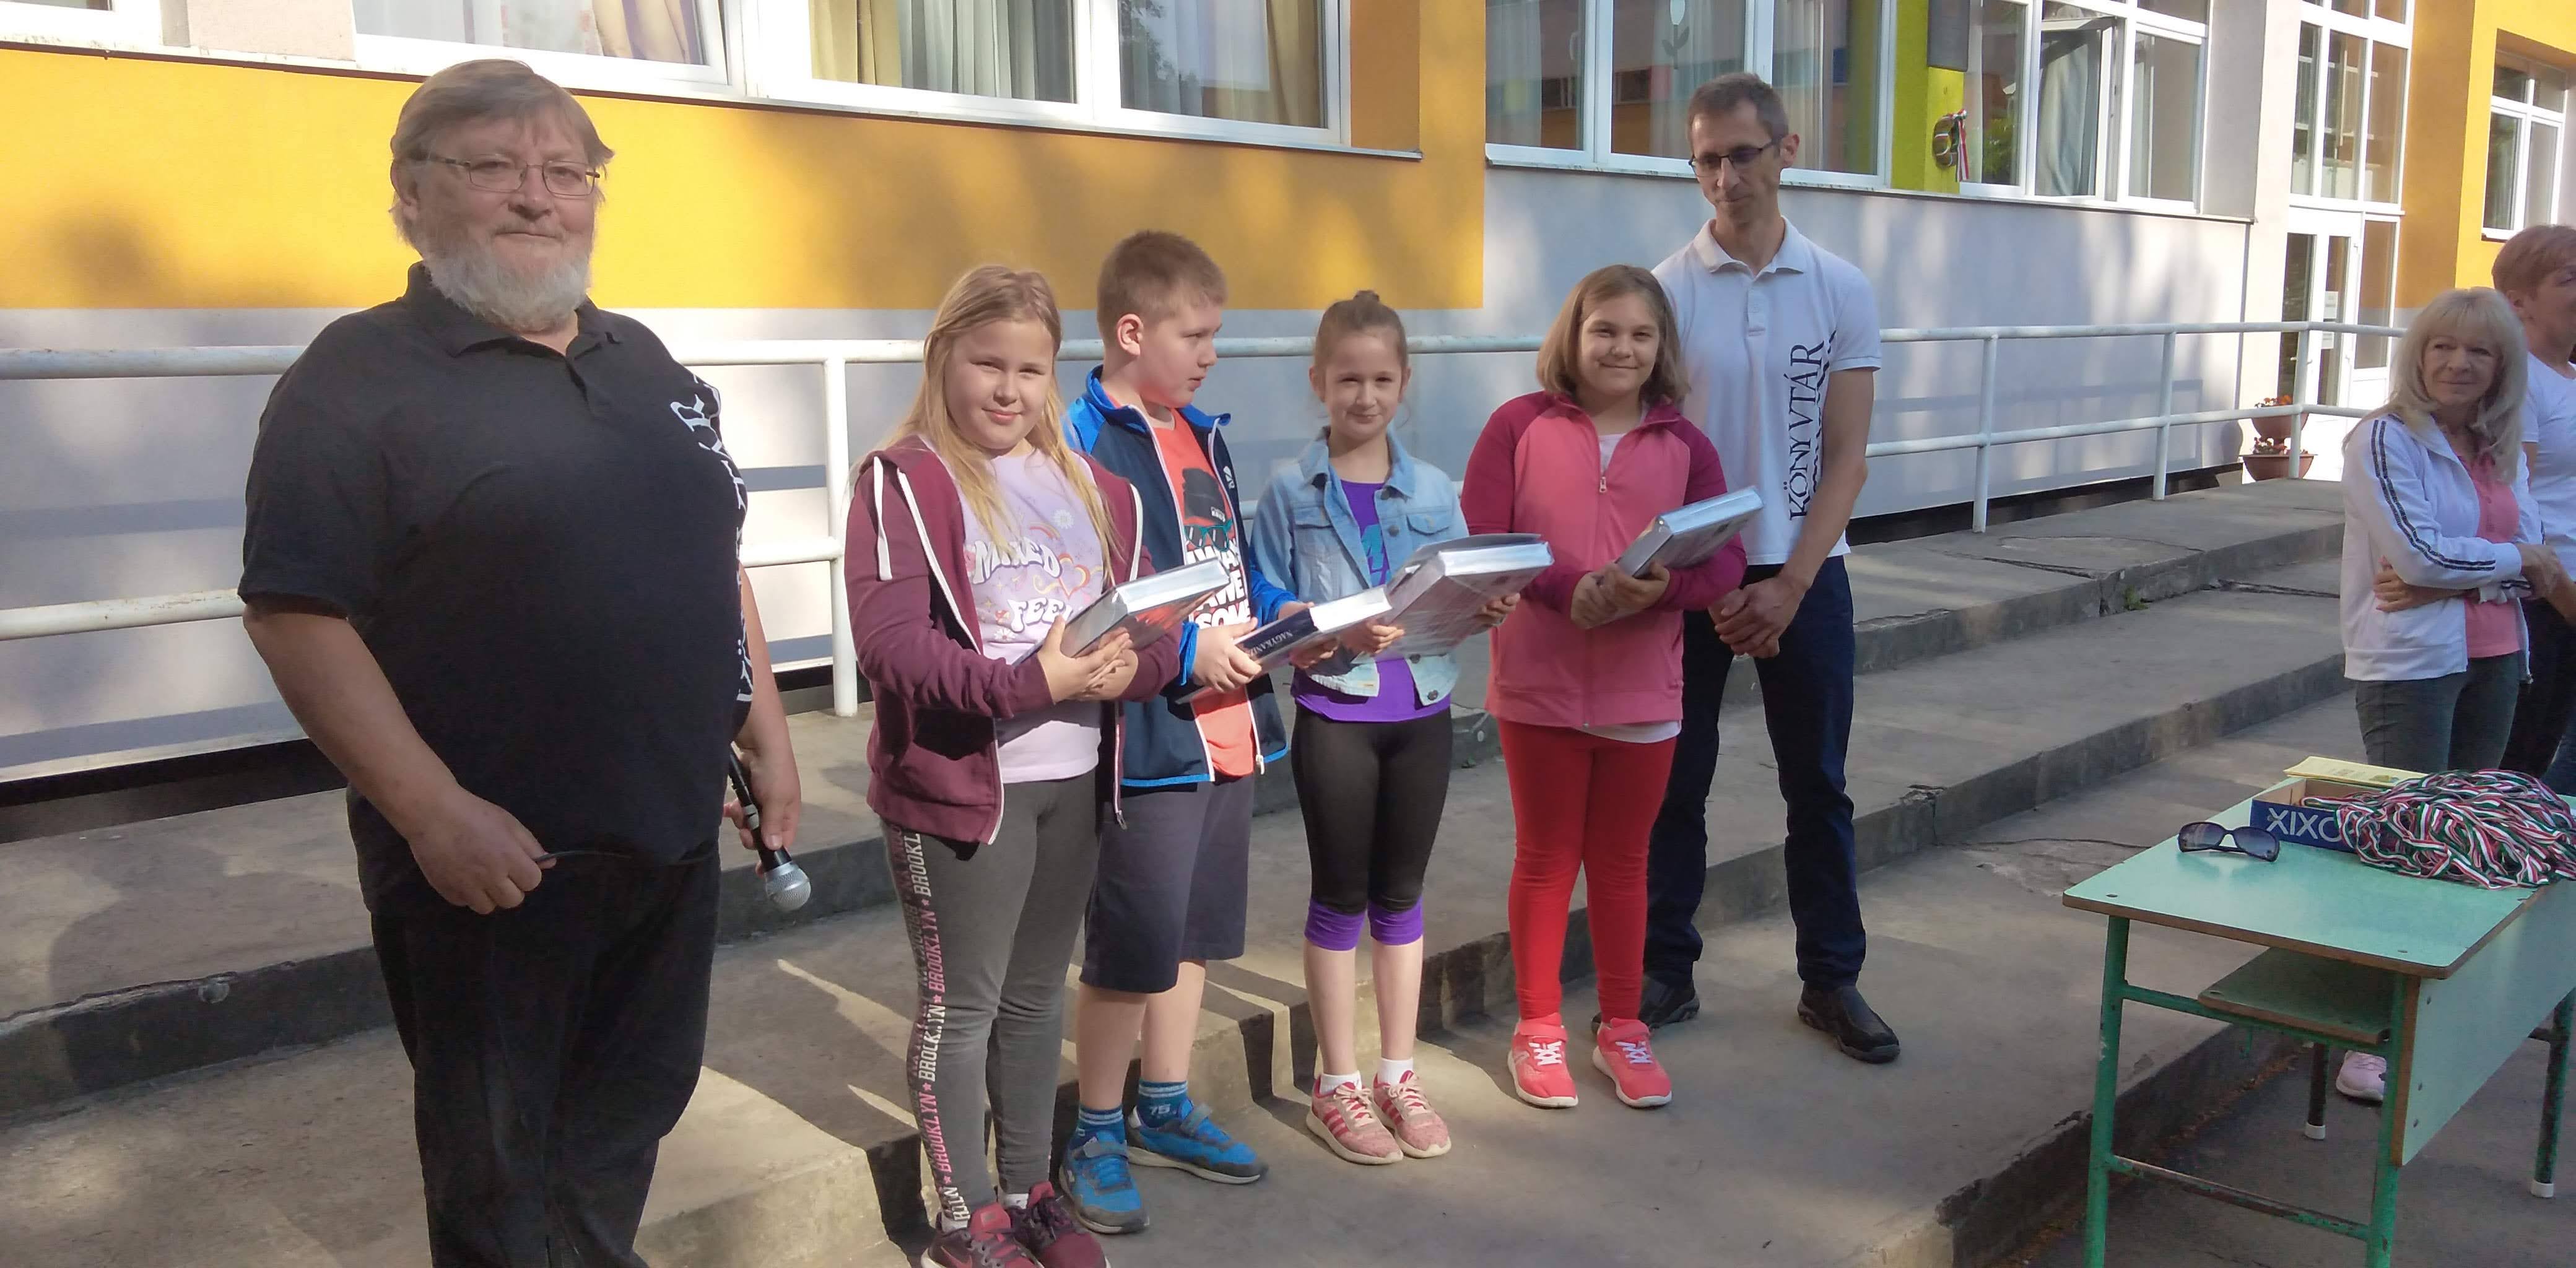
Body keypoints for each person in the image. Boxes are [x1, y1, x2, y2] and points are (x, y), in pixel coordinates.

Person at [236, 61, 801, 1267]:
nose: (538, 196)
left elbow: (714, 551)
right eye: (494, 166)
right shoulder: (353, 378)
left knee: (617, 1140)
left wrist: (766, 727)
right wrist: (432, 813)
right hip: (493, 873)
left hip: (668, 843)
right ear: (412, 195)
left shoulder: (645, 361)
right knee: (499, 1185)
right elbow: (295, 614)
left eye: (566, 172)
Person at [846, 265, 1181, 1268]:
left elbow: (1157, 638)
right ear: (943, 356)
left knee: (1037, 997)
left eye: (1030, 370)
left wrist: (1129, 668)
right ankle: (967, 1215)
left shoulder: (1095, 487)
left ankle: (1032, 1189)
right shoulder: (904, 482)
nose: (1008, 389)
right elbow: (891, 651)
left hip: (1074, 784)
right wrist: (1031, 682)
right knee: (964, 1008)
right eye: (986, 363)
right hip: (963, 793)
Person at [1642, 72, 1896, 1064]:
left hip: (1805, 572)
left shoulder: (1840, 287)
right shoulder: (1665, 291)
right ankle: (1666, 970)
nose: (1724, 178)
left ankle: (1831, 979)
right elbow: (1651, 452)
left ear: (1787, 151)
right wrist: (1699, 578)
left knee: (1818, 786)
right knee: (1675, 781)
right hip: (1693, 576)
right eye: (1705, 160)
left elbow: (1848, 457)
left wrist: (1790, 583)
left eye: (1741, 155)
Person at [1461, 264, 1748, 1111]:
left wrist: (1664, 591)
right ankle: (1537, 1027)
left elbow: (1726, 557)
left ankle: (1623, 1025)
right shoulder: (1516, 425)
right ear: (1573, 336)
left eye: (1640, 334)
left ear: (1661, 347)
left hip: (1643, 692)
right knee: (1545, 859)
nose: (1622, 348)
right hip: (1538, 684)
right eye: (1605, 331)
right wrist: (1567, 590)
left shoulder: (1688, 446)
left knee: (1625, 864)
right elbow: (1486, 538)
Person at [1058, 230, 1292, 1234]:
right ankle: (1096, 1131)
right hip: (1146, 739)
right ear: (1131, 331)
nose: (1211, 354)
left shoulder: (1205, 432)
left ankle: (1164, 1103)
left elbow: (1230, 563)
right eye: (1194, 335)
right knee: (1131, 947)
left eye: (1214, 335)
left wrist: (1290, 619)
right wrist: (1190, 644)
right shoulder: (1079, 437)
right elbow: (1090, 593)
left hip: (1228, 728)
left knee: (1193, 936)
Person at [1247, 292, 1512, 1165]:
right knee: (1340, 898)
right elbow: (1263, 599)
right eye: (1348, 380)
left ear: (1404, 382)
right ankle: (1337, 1082)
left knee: (1401, 896)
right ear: (1318, 382)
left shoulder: (1433, 487)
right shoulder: (1290, 491)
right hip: (1336, 715)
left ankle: (1398, 1073)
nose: (1365, 397)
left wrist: (1487, 604)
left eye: (1382, 380)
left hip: (1422, 715)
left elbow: (1460, 583)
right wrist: (1329, 627)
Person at [2338, 286, 2565, 1102]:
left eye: (2478, 351)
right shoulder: (2384, 438)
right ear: (2418, 353)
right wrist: (2510, 565)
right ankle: (2367, 1040)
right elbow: (2420, 558)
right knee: (2404, 846)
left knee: (2464, 847)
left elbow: (2523, 554)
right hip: (2413, 667)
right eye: (2442, 346)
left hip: (2498, 659)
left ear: (2501, 367)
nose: (2457, 363)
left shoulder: (2495, 446)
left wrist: (2472, 571)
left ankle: (2432, 1021)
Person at [2488, 226, 2576, 788]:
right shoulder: (2519, 382)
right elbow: (2513, 506)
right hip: (2545, 603)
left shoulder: (2570, 378)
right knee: (2520, 767)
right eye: (2570, 278)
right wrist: (2564, 596)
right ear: (2519, 301)